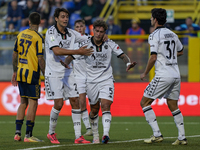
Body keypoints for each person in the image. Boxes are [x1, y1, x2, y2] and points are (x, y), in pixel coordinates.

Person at [78, 19, 137, 143]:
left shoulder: (109, 43)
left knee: (105, 105)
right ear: (93, 30)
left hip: (106, 79)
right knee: (94, 110)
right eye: (97, 31)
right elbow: (71, 55)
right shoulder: (85, 43)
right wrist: (65, 64)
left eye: (101, 31)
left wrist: (128, 63)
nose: (99, 34)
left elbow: (122, 55)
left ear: (105, 32)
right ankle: (95, 135)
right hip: (91, 81)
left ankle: (105, 134)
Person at [45, 8, 93, 144]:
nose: (65, 19)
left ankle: (78, 136)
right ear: (56, 18)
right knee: (59, 104)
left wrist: (101, 37)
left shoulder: (71, 33)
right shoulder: (51, 32)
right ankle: (51, 133)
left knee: (75, 101)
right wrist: (77, 51)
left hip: (68, 71)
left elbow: (88, 39)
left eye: (66, 17)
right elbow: (56, 50)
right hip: (53, 73)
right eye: (62, 17)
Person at [140, 8, 187, 145]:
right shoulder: (173, 34)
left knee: (144, 102)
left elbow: (153, 57)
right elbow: (181, 51)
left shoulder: (154, 35)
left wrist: (145, 73)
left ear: (154, 19)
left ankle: (157, 134)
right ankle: (182, 137)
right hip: (176, 74)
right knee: (173, 104)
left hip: (163, 74)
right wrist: (168, 56)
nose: (150, 19)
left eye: (151, 17)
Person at [11, 12, 45, 142]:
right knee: (33, 103)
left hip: (20, 72)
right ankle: (28, 135)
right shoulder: (38, 38)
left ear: (29, 22)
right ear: (40, 22)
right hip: (32, 74)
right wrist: (45, 75)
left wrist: (15, 71)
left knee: (23, 102)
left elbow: (15, 55)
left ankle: (17, 133)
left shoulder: (20, 34)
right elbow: (40, 59)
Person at [73, 19, 93, 136]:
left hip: (91, 75)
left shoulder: (91, 39)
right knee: (81, 101)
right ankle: (88, 128)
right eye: (77, 27)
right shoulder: (72, 42)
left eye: (81, 26)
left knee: (94, 103)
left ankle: (93, 125)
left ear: (85, 27)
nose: (79, 28)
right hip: (79, 76)